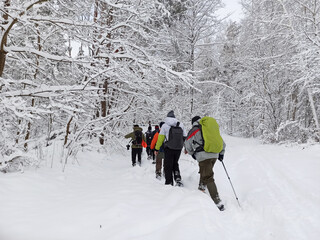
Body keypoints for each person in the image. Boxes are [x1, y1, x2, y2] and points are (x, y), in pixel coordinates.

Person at [184, 116, 226, 211]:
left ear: (193, 122)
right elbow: (222, 143)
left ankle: (217, 201)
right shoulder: (210, 128)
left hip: (203, 155)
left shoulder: (194, 129)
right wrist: (221, 154)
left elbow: (187, 143)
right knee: (205, 171)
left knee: (208, 176)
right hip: (214, 155)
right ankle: (202, 187)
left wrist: (192, 154)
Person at [154, 110, 187, 186]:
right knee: (175, 163)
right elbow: (185, 137)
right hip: (178, 148)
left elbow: (160, 139)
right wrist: (185, 147)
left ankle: (169, 182)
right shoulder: (180, 125)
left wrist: (157, 149)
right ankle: (177, 178)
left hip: (168, 148)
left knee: (168, 165)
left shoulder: (165, 126)